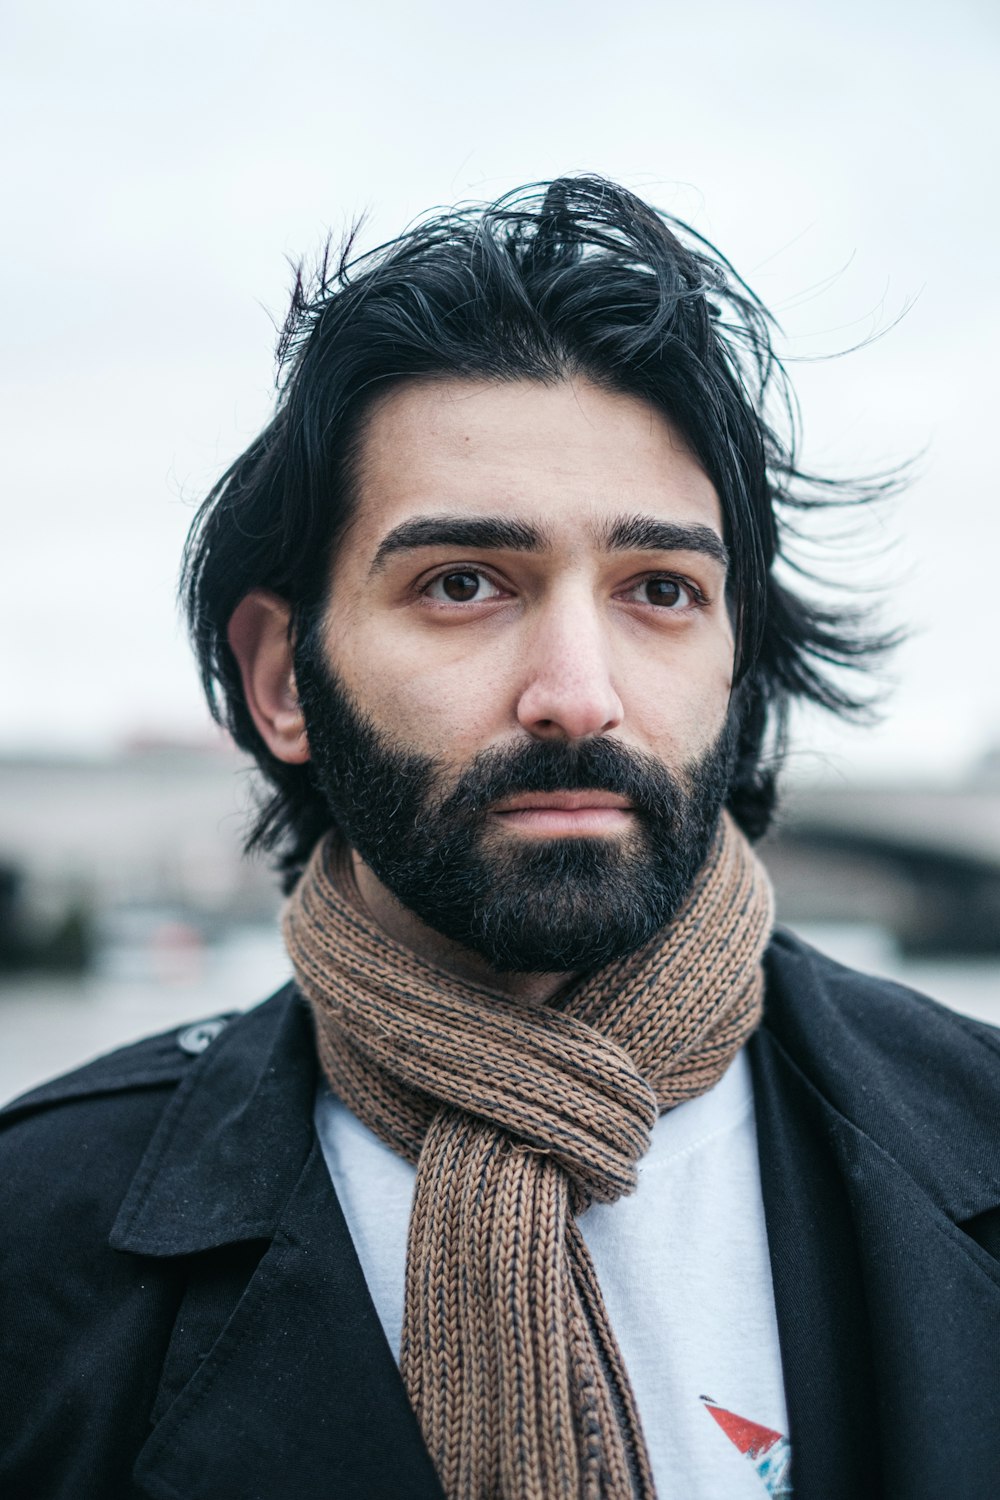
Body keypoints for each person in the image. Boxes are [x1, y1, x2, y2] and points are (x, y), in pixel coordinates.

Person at [2, 177, 998, 1500]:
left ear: (738, 663)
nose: (578, 691)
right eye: (463, 583)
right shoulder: (37, 1232)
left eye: (660, 589)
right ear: (284, 680)